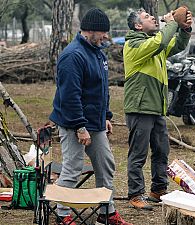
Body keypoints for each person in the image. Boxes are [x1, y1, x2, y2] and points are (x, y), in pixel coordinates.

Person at [49, 8, 132, 225]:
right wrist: (79, 127)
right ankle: (62, 214)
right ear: (91, 31)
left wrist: (106, 115)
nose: (106, 36)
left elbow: (102, 90)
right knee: (73, 167)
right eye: (103, 32)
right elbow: (69, 96)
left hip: (96, 123)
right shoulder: (72, 56)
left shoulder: (99, 53)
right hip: (72, 123)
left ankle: (107, 213)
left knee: (106, 165)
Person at [123, 8, 192, 210]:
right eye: (146, 17)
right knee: (138, 153)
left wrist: (184, 29)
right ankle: (135, 194)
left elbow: (175, 43)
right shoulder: (134, 44)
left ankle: (158, 190)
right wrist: (171, 21)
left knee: (162, 150)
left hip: (156, 108)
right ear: (137, 25)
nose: (153, 17)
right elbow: (161, 41)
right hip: (140, 107)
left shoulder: (154, 44)